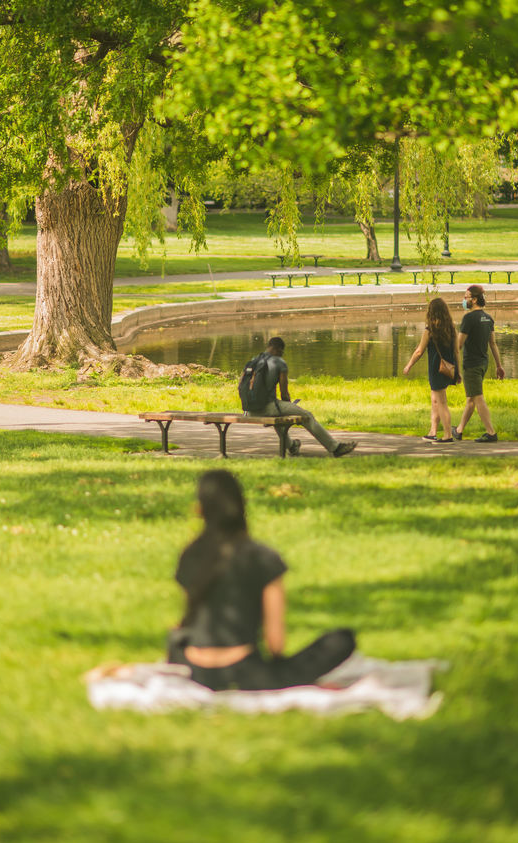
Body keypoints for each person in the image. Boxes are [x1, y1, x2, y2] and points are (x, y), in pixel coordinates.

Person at [167, 469, 356, 691]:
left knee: (175, 637)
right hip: (246, 672)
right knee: (342, 639)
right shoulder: (262, 557)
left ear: (200, 509)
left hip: (196, 672)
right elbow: (276, 642)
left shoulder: (190, 555)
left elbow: (187, 622)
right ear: (241, 506)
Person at [255, 336, 356, 458]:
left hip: (249, 410)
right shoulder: (279, 362)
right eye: (282, 352)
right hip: (267, 407)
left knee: (278, 415)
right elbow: (284, 394)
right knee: (306, 416)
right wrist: (289, 405)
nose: (282, 355)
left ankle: (292, 447)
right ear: (278, 350)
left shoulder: (254, 360)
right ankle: (335, 448)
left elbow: (241, 385)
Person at [402, 296, 460, 443]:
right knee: (436, 400)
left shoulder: (430, 330)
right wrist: (458, 372)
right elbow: (457, 352)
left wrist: (409, 365)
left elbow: (419, 351)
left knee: (441, 402)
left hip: (436, 369)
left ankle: (447, 435)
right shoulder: (452, 329)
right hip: (448, 369)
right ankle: (433, 431)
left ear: (431, 312)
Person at [452, 284, 505, 442]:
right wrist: (499, 366)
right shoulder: (488, 318)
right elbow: (493, 344)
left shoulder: (469, 318)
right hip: (483, 363)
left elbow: (459, 345)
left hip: (472, 365)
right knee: (471, 398)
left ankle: (491, 433)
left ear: (474, 300)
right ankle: (459, 430)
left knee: (477, 397)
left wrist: (454, 367)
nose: (464, 300)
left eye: (466, 297)